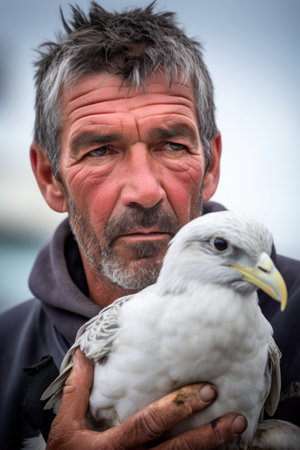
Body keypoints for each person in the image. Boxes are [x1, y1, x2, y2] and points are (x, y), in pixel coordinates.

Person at [0, 2, 299, 449]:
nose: (144, 189)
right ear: (49, 177)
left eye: (173, 145)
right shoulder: (3, 351)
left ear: (210, 164)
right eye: (100, 150)